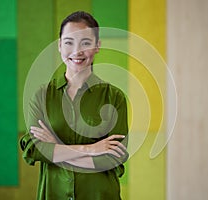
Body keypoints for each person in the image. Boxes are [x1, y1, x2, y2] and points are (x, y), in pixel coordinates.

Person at [20, 11, 129, 200]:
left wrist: (55, 148)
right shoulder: (42, 96)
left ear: (97, 46)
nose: (77, 51)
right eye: (69, 42)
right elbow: (32, 148)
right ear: (60, 46)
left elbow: (112, 158)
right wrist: (91, 149)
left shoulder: (114, 97)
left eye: (85, 43)